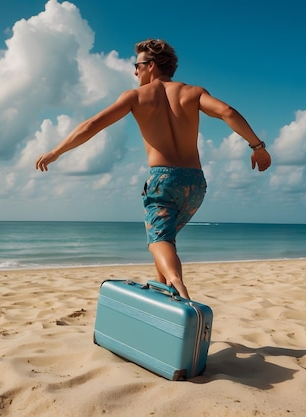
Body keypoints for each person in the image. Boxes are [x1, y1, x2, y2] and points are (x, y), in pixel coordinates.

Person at [36, 39, 271, 299]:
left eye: (136, 66)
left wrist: (56, 152)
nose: (134, 72)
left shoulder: (136, 96)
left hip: (164, 181)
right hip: (195, 184)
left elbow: (93, 125)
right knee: (166, 239)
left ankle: (176, 285)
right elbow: (227, 111)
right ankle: (165, 296)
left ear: (151, 66)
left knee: (159, 241)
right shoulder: (193, 93)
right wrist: (257, 147)